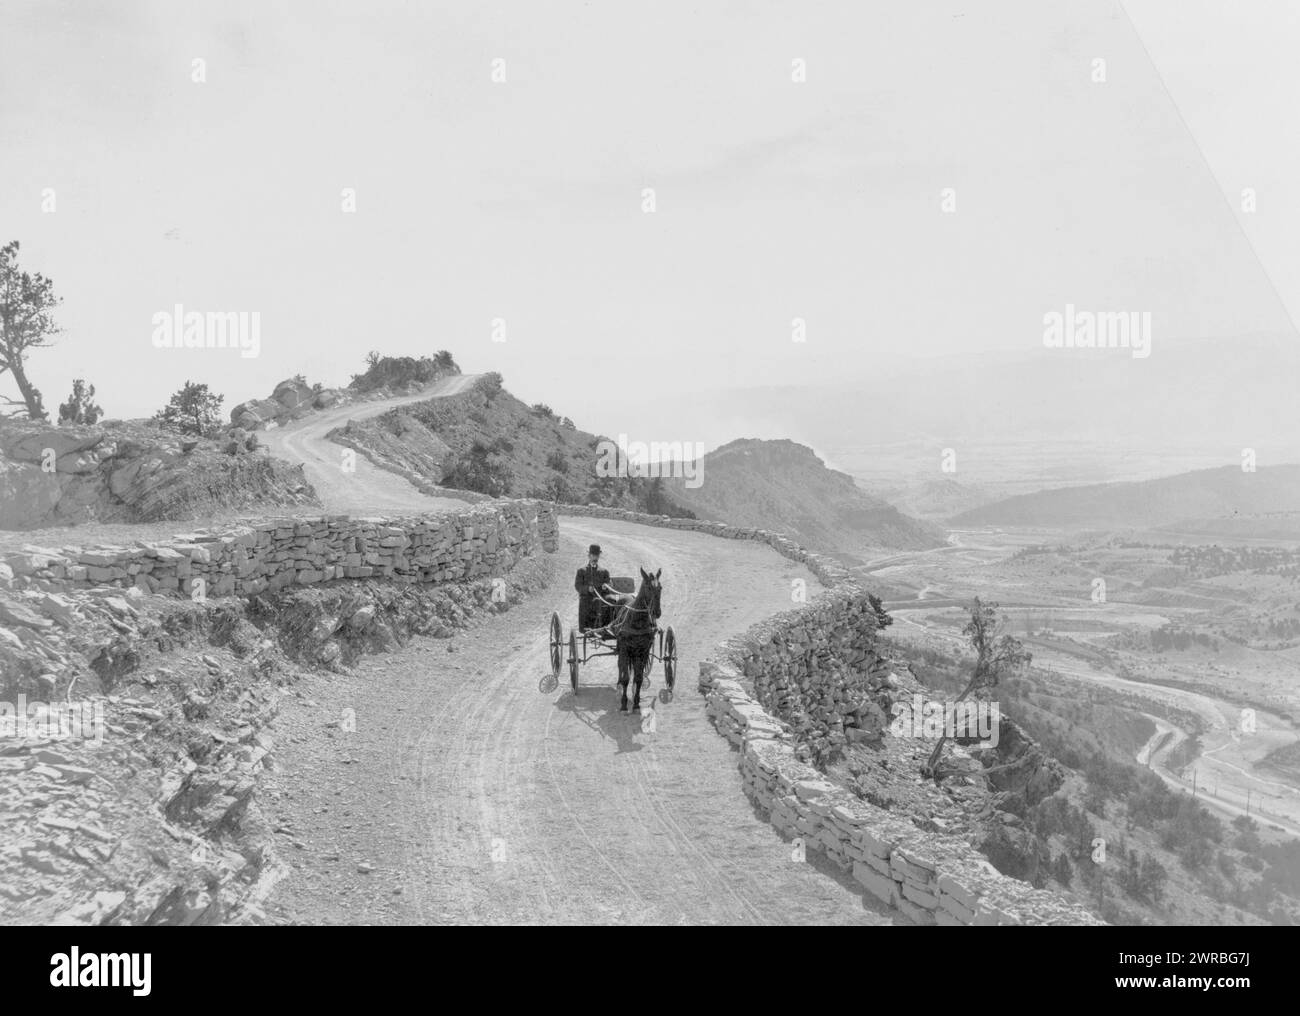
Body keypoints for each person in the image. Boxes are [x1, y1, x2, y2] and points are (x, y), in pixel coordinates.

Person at [574, 544, 612, 631]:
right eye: (593, 555)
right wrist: (587, 589)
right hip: (587, 597)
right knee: (587, 602)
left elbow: (609, 583)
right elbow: (578, 586)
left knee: (610, 601)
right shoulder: (582, 571)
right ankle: (586, 627)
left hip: (601, 596)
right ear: (589, 556)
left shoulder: (604, 571)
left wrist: (606, 586)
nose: (595, 558)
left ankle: (608, 626)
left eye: (597, 556)